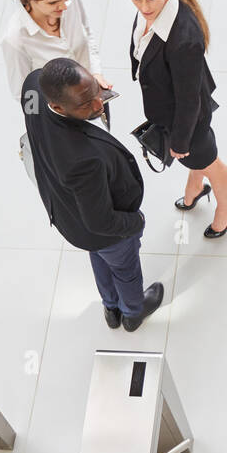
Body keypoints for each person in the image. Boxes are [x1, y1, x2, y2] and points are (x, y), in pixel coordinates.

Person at [22, 57, 163, 331]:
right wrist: (137, 222)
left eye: (95, 93)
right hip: (103, 229)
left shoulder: (32, 87)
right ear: (57, 106)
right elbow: (101, 223)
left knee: (99, 257)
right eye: (86, 104)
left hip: (70, 216)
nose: (99, 104)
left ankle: (111, 307)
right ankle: (133, 312)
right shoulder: (82, 160)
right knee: (124, 268)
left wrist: (88, 92)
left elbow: (34, 111)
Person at [125, 0, 227, 238]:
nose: (144, 7)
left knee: (209, 161)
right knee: (197, 161)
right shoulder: (155, 11)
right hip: (173, 110)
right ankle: (195, 187)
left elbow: (190, 101)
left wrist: (180, 140)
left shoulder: (184, 39)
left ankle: (225, 208)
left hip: (187, 120)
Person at [2, 0, 111, 108]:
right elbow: (25, 95)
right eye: (53, 3)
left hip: (94, 96)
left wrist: (96, 73)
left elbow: (87, 35)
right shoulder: (16, 39)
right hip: (60, 117)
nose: (63, 6)